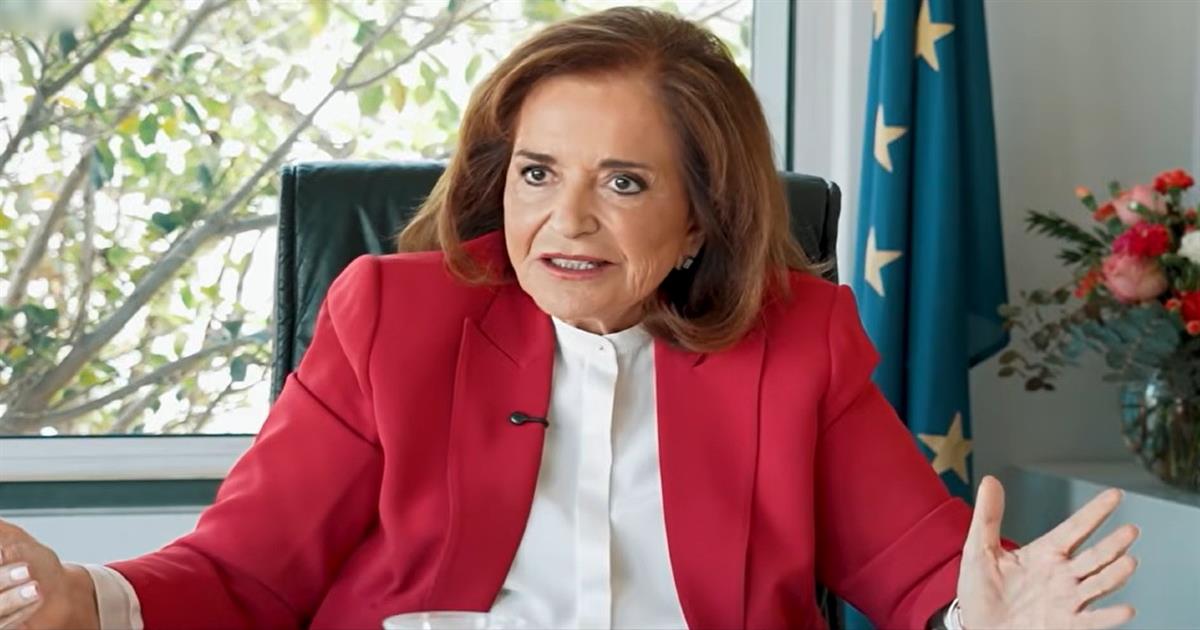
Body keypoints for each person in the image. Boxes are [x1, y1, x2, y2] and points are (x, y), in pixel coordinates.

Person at [0, 7, 1139, 630]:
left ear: (700, 219)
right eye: (538, 173)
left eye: (625, 182)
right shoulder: (390, 315)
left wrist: (983, 624)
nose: (566, 222)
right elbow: (243, 576)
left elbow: (931, 578)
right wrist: (84, 602)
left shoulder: (798, 341)